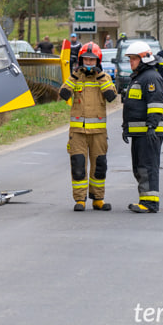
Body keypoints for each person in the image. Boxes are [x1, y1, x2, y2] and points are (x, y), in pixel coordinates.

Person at [59, 42, 118, 212]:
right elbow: (63, 94)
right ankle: (80, 199)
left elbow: (111, 97)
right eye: (86, 59)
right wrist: (74, 76)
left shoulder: (104, 78)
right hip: (78, 132)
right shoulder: (75, 78)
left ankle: (98, 199)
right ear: (81, 60)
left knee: (99, 166)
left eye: (92, 60)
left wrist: (100, 78)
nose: (89, 63)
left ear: (98, 61)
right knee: (78, 165)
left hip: (98, 132)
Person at [120, 40, 163, 213]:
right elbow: (132, 106)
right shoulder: (139, 77)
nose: (130, 62)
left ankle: (150, 203)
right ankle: (145, 200)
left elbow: (155, 104)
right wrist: (126, 128)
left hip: (149, 133)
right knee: (140, 167)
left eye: (133, 59)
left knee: (148, 167)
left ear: (144, 58)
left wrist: (152, 127)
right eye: (130, 59)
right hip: (140, 133)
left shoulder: (151, 77)